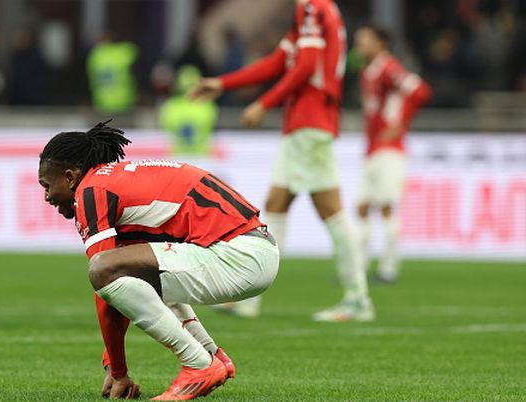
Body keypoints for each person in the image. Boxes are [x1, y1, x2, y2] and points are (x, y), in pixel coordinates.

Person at [37, 121, 279, 400]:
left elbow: (104, 282)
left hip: (238, 257)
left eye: (46, 185)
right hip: (255, 252)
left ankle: (198, 365)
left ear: (69, 177)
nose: (46, 196)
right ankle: (212, 357)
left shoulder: (91, 191)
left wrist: (117, 371)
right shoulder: (115, 180)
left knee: (101, 268)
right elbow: (124, 286)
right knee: (131, 273)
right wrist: (113, 365)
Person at [189, 0, 374, 321]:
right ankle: (250, 298)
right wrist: (223, 83)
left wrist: (264, 103)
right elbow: (278, 62)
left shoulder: (313, 8)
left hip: (309, 122)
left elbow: (305, 66)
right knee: (276, 205)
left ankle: (358, 298)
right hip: (307, 124)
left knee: (329, 210)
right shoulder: (314, 12)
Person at [353, 25, 432, 283]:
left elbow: (420, 91)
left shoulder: (388, 67)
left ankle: (389, 268)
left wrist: (401, 123)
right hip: (373, 149)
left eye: (365, 41)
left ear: (380, 43)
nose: (360, 46)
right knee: (363, 207)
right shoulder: (368, 71)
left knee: (385, 207)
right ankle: (359, 268)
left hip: (389, 150)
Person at [159, 65, 218, 156]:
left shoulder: (170, 106)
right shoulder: (207, 105)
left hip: (178, 157)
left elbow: (165, 129)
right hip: (203, 157)